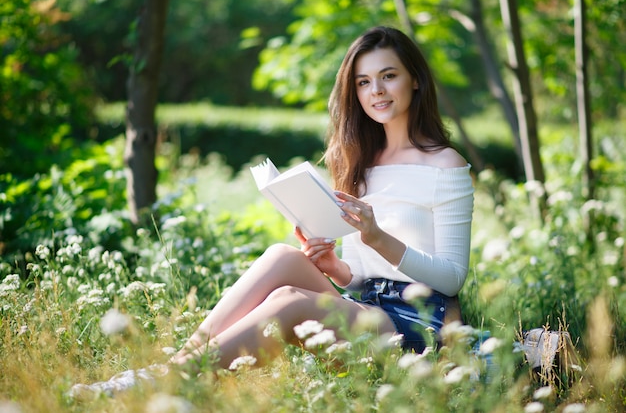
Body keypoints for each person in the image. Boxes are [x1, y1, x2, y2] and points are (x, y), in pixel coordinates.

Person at [69, 26, 474, 398]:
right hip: (369, 310)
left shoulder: (446, 166)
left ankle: (167, 381)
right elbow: (364, 281)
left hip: (419, 327)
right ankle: (172, 368)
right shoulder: (360, 164)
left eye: (389, 76)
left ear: (415, 79)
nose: (376, 91)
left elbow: (452, 278)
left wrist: (378, 237)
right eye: (363, 82)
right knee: (283, 257)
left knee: (291, 301)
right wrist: (335, 269)